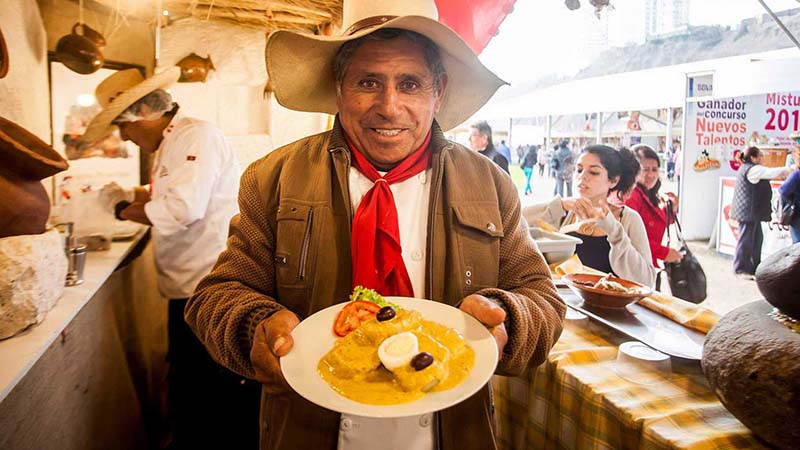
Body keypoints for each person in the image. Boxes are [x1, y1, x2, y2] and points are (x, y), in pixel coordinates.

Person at [185, 1, 566, 449]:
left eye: (410, 84)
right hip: (309, 429)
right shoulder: (274, 179)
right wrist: (255, 327)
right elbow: (216, 295)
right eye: (369, 82)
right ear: (339, 87)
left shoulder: (489, 184)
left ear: (437, 92)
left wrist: (507, 322)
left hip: (453, 430)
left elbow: (542, 298)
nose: (390, 106)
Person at [82, 68, 256, 449]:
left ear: (142, 114)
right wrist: (133, 194)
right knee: (189, 377)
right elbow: (169, 192)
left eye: (123, 127)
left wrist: (120, 209)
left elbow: (182, 208)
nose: (124, 136)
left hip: (206, 284)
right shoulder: (173, 141)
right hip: (186, 284)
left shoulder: (197, 135)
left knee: (203, 385)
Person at [525, 145, 656, 287]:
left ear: (614, 181)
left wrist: (613, 231)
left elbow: (647, 281)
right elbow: (511, 220)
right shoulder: (565, 213)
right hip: (567, 304)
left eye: (594, 172)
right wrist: (559, 205)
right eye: (579, 170)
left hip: (609, 306)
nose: (582, 177)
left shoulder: (628, 218)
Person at [730, 146, 792, 280]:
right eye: (760, 156)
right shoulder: (753, 169)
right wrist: (790, 169)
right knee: (746, 240)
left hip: (750, 212)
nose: (762, 158)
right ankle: (741, 268)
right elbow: (771, 173)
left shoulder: (746, 168)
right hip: (748, 212)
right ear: (753, 157)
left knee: (756, 239)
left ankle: (753, 267)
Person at [625, 144, 682, 267]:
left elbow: (655, 222)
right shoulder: (632, 195)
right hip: (633, 265)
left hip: (645, 263)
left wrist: (671, 209)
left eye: (654, 169)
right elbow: (629, 236)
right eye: (645, 170)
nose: (651, 175)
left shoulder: (647, 193)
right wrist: (664, 252)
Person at [780, 143, 800, 243]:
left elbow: (783, 190)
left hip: (797, 213)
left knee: (797, 246)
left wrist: (788, 203)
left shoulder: (796, 175)